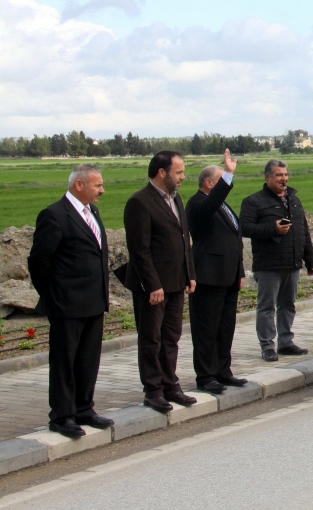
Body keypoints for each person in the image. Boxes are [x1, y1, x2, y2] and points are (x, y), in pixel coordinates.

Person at [27, 164, 114, 438]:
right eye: (97, 185)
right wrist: (54, 295)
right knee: (65, 361)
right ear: (79, 185)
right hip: (67, 304)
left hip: (93, 301)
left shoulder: (93, 212)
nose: (102, 190)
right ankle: (62, 416)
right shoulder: (54, 216)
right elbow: (38, 262)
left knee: (88, 359)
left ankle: (84, 408)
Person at [123, 151, 197, 414]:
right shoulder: (139, 202)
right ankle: (153, 390)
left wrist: (190, 274)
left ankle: (170, 384)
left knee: (171, 337)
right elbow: (139, 250)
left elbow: (183, 240)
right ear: (162, 172)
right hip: (153, 287)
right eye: (178, 172)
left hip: (176, 282)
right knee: (151, 338)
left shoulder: (175, 200)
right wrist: (152, 285)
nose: (182, 177)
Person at [239, 159, 313, 362]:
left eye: (285, 174)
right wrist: (272, 228)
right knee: (266, 307)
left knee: (287, 304)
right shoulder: (253, 202)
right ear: (267, 177)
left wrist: (310, 260)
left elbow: (303, 232)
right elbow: (244, 228)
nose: (284, 179)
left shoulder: (294, 200)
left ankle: (286, 342)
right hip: (268, 265)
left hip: (292, 263)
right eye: (279, 175)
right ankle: (267, 345)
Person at [185, 151, 246, 395]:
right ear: (209, 183)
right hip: (208, 277)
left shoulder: (221, 205)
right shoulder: (198, 203)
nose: (224, 184)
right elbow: (211, 204)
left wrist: (239, 271)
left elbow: (235, 239)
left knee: (225, 327)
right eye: (220, 179)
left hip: (228, 276)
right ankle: (206, 375)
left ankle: (223, 370)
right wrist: (229, 173)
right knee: (206, 329)